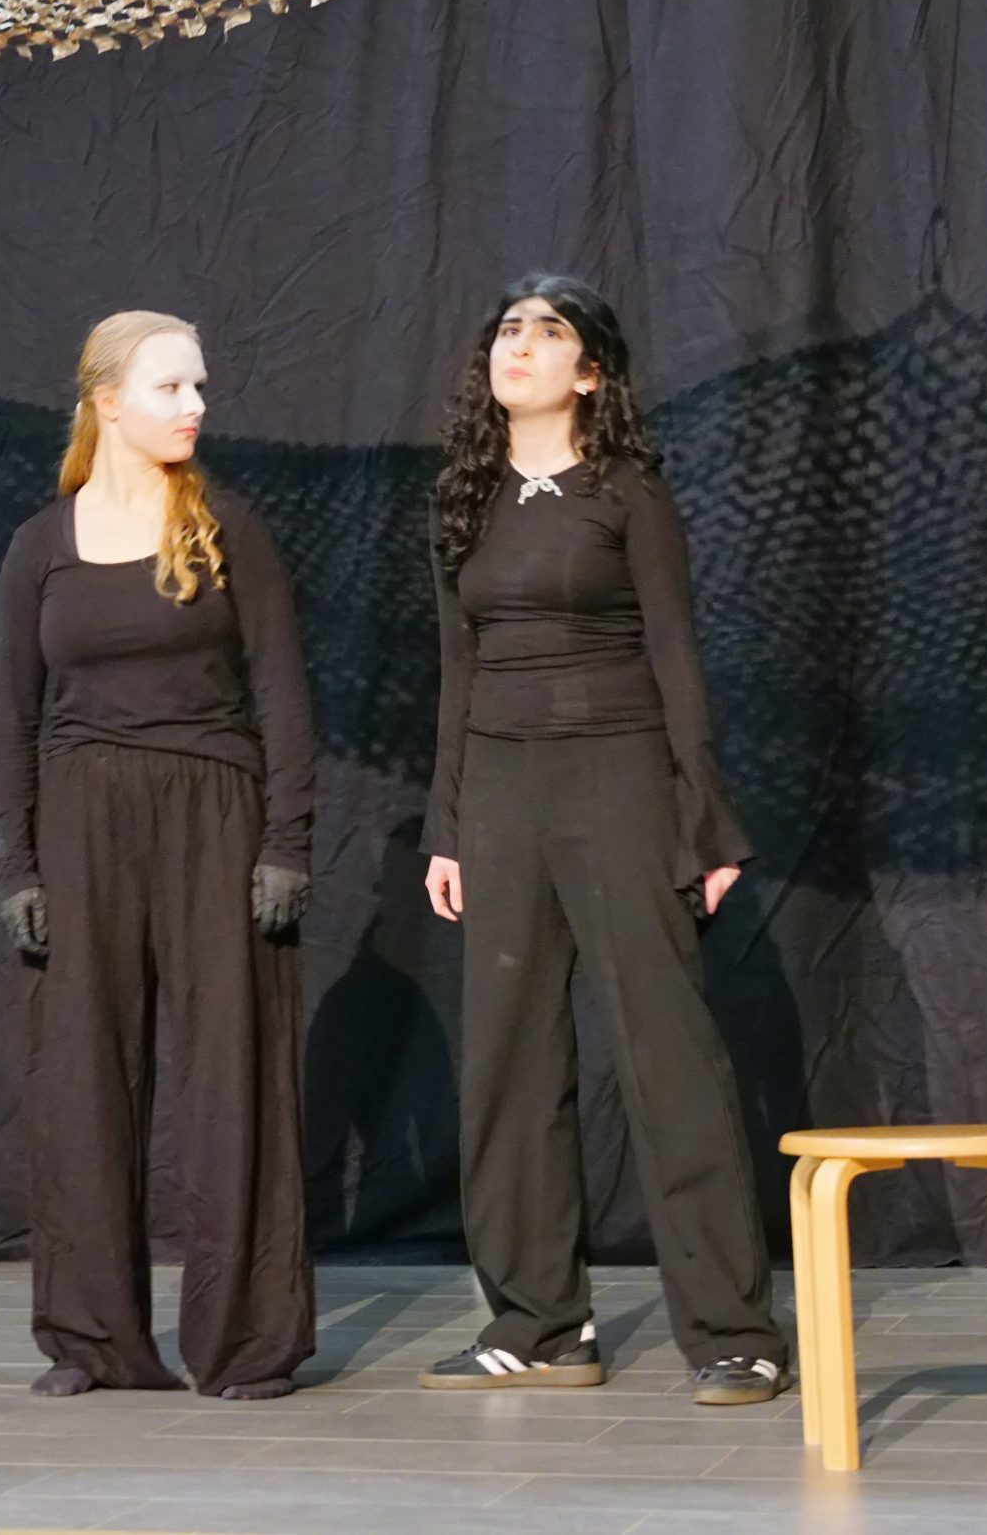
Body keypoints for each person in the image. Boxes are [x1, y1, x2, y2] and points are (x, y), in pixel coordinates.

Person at [418, 274, 788, 1406]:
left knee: (664, 1049)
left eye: (548, 332)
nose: (518, 345)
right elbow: (457, 672)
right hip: (500, 791)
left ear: (588, 374)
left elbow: (678, 660)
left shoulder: (627, 494)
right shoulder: (465, 499)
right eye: (506, 330)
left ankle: (733, 1332)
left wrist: (704, 819)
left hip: (619, 777)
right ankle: (538, 1324)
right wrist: (446, 828)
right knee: (508, 1059)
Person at [0, 313, 316, 1400]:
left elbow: (283, 692)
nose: (196, 406)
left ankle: (245, 1343)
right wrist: (18, 864)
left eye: (199, 386)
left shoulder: (228, 527)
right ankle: (92, 1339)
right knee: (80, 1079)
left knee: (232, 1077)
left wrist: (286, 842)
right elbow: (11, 719)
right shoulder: (42, 545)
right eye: (173, 387)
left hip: (214, 813)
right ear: (107, 401)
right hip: (82, 824)